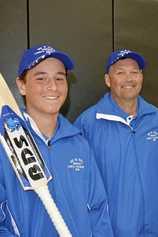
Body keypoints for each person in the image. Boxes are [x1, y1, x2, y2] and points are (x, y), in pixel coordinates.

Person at [0, 44, 114, 236]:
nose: (52, 87)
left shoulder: (79, 144)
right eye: (41, 78)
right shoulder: (6, 144)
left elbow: (98, 211)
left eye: (59, 78)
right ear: (22, 85)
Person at [74, 49, 158, 237]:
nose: (129, 78)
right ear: (108, 80)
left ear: (141, 77)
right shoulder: (88, 123)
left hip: (156, 230)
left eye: (135, 72)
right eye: (120, 72)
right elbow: (78, 187)